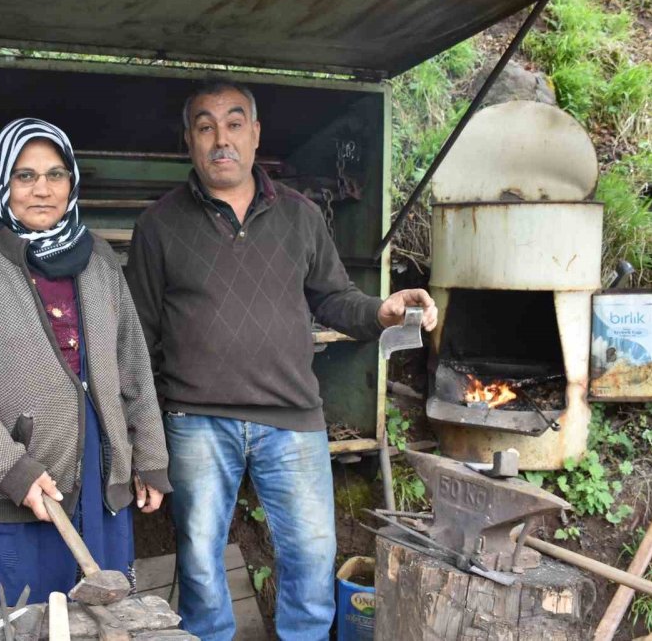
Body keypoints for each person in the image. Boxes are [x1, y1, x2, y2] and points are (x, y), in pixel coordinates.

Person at [126, 80, 438, 640]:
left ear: (256, 133)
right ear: (188, 141)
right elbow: (139, 336)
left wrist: (383, 310)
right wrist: (146, 429)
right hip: (196, 419)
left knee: (313, 556)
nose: (221, 138)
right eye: (205, 126)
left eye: (234, 122)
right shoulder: (158, 225)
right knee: (199, 561)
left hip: (291, 417)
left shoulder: (300, 216)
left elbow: (334, 298)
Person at [0, 118, 171, 608]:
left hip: (98, 482)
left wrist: (151, 457)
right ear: (1, 184)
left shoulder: (98, 259)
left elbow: (132, 364)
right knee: (14, 624)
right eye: (25, 176)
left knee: (100, 622)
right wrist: (13, 469)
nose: (42, 190)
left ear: (72, 182)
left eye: (56, 175)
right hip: (12, 485)